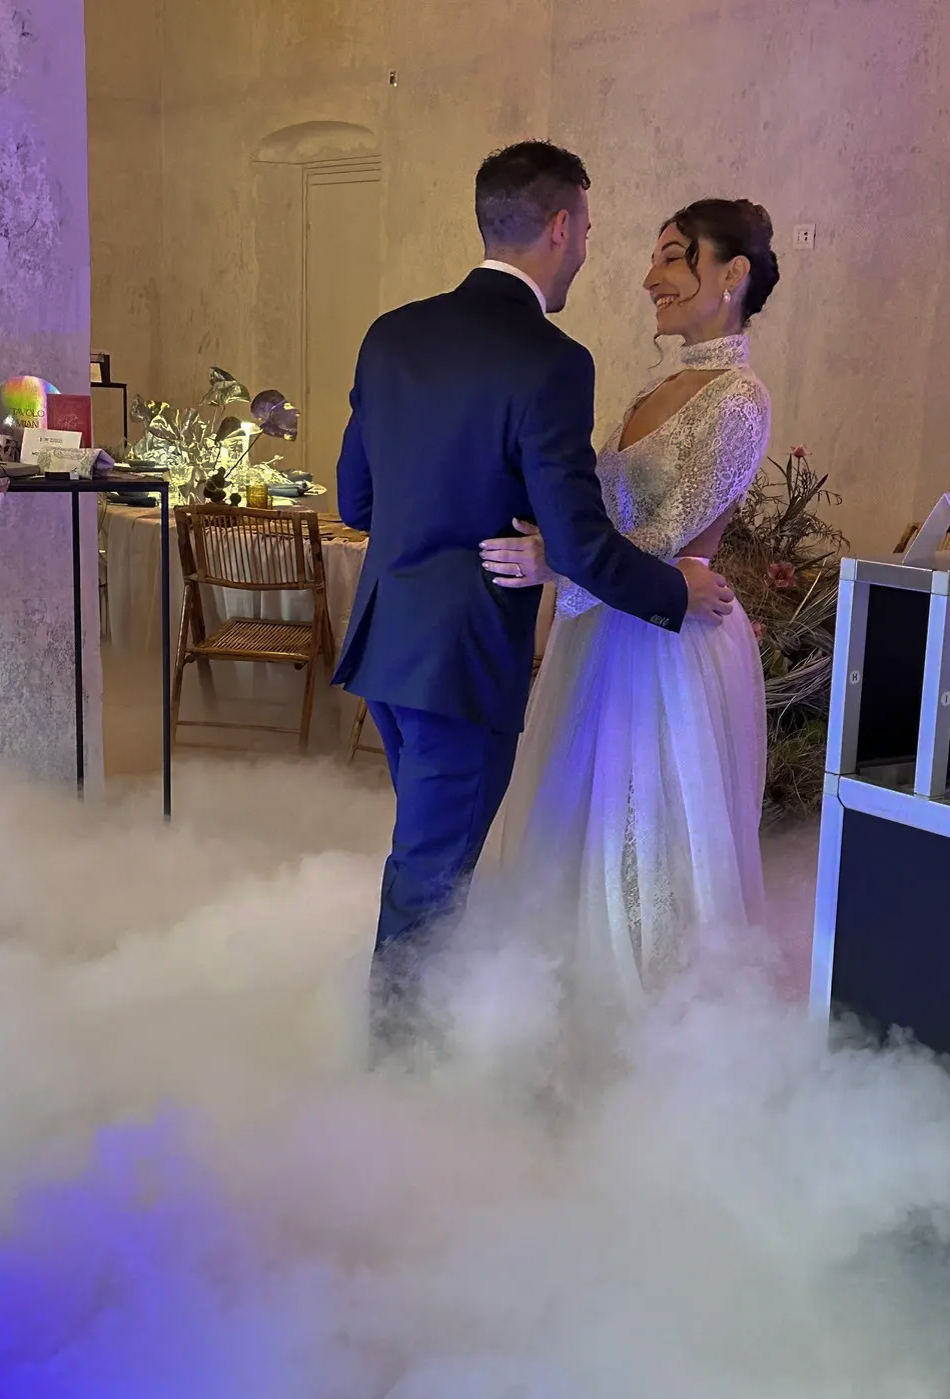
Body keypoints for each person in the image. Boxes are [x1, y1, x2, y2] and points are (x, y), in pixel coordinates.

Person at [332, 143, 734, 1055]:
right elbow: (582, 541)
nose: (588, 248)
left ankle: (417, 1040)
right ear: (559, 227)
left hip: (388, 642)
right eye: (586, 228)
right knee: (431, 874)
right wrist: (677, 590)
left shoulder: (391, 334)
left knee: (430, 855)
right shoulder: (551, 360)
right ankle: (396, 1070)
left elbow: (357, 500)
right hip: (465, 657)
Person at [479, 198, 779, 1034]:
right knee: (583, 819)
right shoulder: (657, 386)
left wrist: (555, 562)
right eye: (655, 258)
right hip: (606, 625)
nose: (652, 277)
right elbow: (603, 518)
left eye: (675, 257)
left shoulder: (739, 398)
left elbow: (664, 533)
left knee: (648, 826)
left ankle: (657, 1028)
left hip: (669, 639)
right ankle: (569, 1003)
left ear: (733, 274)